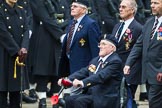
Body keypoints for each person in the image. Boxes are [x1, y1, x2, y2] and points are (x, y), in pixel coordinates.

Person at [58, 34, 122, 108]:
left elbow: (101, 76)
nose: (100, 46)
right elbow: (84, 72)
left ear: (112, 48)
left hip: (104, 96)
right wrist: (68, 80)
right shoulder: (96, 60)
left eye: (103, 44)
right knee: (69, 99)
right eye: (100, 44)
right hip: (92, 94)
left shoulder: (115, 61)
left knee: (80, 101)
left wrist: (82, 83)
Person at [123, 0, 162, 107]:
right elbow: (139, 45)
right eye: (151, 3)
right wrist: (128, 63)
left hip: (159, 72)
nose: (152, 6)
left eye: (156, 3)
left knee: (154, 103)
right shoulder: (149, 22)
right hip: (149, 73)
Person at [29, 0, 64, 107]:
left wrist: (64, 30)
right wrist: (61, 34)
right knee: (43, 72)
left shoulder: (61, 2)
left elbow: (67, 16)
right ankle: (42, 100)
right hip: (45, 39)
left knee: (57, 72)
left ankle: (55, 101)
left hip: (58, 40)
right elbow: (45, 19)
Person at [58, 0, 101, 77]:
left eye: (75, 6)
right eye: (72, 6)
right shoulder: (71, 23)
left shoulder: (90, 24)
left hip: (83, 66)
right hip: (69, 64)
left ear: (83, 10)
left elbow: (95, 48)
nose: (72, 8)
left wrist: (94, 67)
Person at [111, 0, 142, 104]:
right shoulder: (117, 26)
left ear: (132, 10)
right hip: (115, 69)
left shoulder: (138, 28)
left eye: (123, 7)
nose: (120, 9)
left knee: (127, 100)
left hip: (129, 71)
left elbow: (137, 51)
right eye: (120, 7)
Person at [0, 0, 30, 108]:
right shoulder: (1, 10)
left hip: (19, 56)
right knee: (2, 90)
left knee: (16, 91)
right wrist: (17, 50)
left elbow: (26, 30)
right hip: (4, 54)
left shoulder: (21, 10)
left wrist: (24, 48)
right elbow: (3, 33)